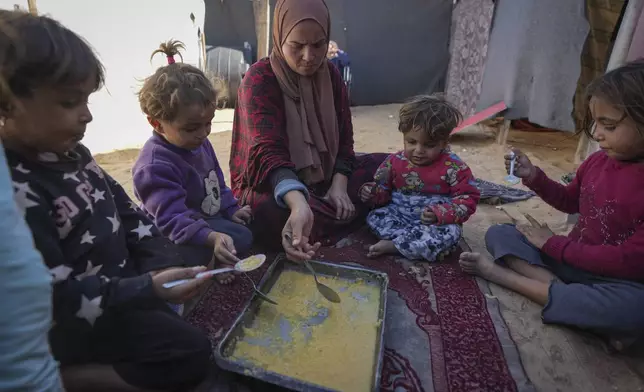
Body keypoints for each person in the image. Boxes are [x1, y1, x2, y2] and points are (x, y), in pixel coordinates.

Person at [0, 11, 211, 391]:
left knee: (185, 308)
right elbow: (54, 300)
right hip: (85, 315)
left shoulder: (75, 153)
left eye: (86, 100)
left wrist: (163, 265)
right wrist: (146, 289)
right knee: (190, 355)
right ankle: (73, 380)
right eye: (69, 103)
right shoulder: (16, 192)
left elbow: (129, 214)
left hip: (124, 291)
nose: (88, 115)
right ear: (7, 104)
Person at [459, 61, 644, 350]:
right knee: (501, 233)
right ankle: (567, 299)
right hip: (571, 263)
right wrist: (533, 176)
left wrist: (553, 245)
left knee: (636, 308)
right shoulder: (597, 162)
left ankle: (503, 277)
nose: (596, 134)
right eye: (594, 123)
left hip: (620, 279)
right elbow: (571, 200)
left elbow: (628, 261)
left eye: (608, 125)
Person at [229, 0, 387, 261]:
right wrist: (298, 202)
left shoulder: (331, 77)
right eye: (297, 45)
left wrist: (339, 186)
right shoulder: (259, 79)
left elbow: (345, 142)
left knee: (388, 168)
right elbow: (267, 152)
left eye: (318, 45)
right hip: (274, 185)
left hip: (324, 180)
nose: (309, 56)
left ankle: (319, 216)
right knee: (267, 214)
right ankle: (328, 215)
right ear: (280, 37)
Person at [133, 40, 253, 285]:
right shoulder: (154, 165)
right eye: (191, 128)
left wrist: (231, 209)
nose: (203, 133)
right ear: (157, 124)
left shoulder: (198, 142)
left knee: (245, 233)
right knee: (194, 253)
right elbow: (171, 220)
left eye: (208, 123)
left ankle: (217, 253)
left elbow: (216, 182)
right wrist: (211, 238)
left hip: (205, 220)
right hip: (174, 232)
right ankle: (211, 262)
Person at [360, 95, 480, 261]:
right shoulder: (394, 162)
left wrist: (440, 213)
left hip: (431, 225)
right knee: (375, 217)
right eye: (411, 142)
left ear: (444, 143)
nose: (418, 150)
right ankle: (415, 244)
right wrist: (372, 193)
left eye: (429, 145)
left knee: (450, 232)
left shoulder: (454, 167)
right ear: (404, 137)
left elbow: (468, 200)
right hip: (399, 218)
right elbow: (382, 192)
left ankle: (395, 245)